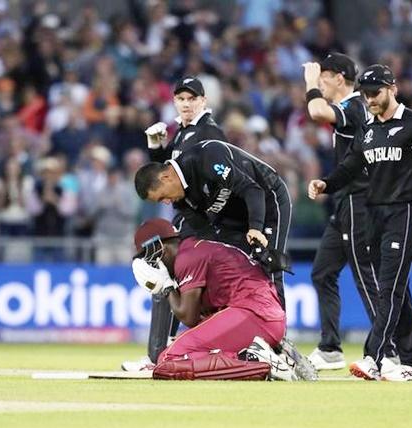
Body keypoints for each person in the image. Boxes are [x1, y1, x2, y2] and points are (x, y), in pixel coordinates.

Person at [308, 64, 412, 381]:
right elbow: (351, 166)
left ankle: (375, 355)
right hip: (375, 213)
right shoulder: (369, 130)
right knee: (399, 289)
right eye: (366, 93)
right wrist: (326, 184)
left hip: (406, 211)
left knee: (389, 288)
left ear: (392, 89)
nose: (369, 98)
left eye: (375, 92)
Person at [123, 76, 229, 371]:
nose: (185, 104)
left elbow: (217, 178)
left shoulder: (209, 133)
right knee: (165, 275)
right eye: (180, 99)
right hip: (187, 220)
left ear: (203, 102)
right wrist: (158, 150)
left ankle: (157, 355)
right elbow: (168, 177)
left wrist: (209, 217)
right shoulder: (183, 134)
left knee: (161, 271)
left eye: (191, 99)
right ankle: (161, 353)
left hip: (201, 223)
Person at [134, 138, 292, 308]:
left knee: (269, 265)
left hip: (267, 198)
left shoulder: (206, 158)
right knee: (231, 267)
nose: (166, 202)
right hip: (232, 215)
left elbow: (252, 190)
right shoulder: (180, 200)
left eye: (162, 197)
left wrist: (255, 228)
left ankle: (278, 332)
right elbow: (206, 234)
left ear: (166, 177)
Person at [131, 218, 295, 381]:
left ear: (160, 247)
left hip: (255, 315)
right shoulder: (194, 249)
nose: (149, 265)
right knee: (185, 352)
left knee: (169, 358)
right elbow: (197, 320)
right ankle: (273, 354)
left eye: (148, 257)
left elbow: (188, 316)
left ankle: (255, 359)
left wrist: (166, 286)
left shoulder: (186, 258)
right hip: (264, 317)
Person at [302, 53, 380, 370]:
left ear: (339, 78)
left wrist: (309, 84)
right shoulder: (350, 107)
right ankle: (331, 348)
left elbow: (316, 111)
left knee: (366, 278)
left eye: (324, 75)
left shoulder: (354, 106)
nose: (320, 81)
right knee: (323, 272)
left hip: (359, 202)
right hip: (344, 201)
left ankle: (386, 347)